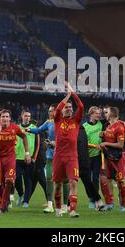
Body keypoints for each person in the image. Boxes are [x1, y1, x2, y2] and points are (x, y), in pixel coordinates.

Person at [27, 105, 68, 213]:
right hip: (50, 155)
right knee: (49, 178)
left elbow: (69, 139)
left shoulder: (66, 122)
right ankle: (50, 204)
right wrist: (28, 129)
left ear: (58, 111)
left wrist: (56, 143)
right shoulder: (49, 122)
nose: (50, 113)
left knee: (65, 180)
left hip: (64, 155)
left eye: (52, 111)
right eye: (49, 111)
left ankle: (65, 206)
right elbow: (38, 130)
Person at [53, 81, 84, 217]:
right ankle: (58, 209)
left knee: (73, 182)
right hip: (58, 156)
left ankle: (72, 210)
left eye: (71, 107)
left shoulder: (76, 121)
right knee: (58, 184)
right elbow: (58, 109)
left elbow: (81, 106)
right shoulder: (57, 120)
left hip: (72, 157)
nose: (69, 109)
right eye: (67, 107)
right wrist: (67, 96)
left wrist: (73, 94)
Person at [0, 110, 31, 213]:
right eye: (3, 116)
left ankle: (3, 205)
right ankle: (5, 201)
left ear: (10, 118)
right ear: (0, 118)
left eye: (7, 116)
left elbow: (24, 136)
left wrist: (27, 153)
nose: (5, 118)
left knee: (9, 180)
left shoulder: (15, 127)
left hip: (10, 157)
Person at [98, 107, 125, 212]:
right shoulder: (107, 126)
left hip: (118, 158)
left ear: (112, 114)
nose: (104, 114)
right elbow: (107, 137)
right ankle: (109, 203)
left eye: (106, 112)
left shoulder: (119, 127)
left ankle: (122, 205)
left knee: (121, 181)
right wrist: (102, 136)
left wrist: (105, 143)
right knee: (104, 179)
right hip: (107, 157)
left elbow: (120, 145)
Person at [15, 110, 40, 208]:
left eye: (29, 116)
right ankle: (21, 193)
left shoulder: (34, 128)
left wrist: (34, 157)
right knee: (16, 178)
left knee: (28, 180)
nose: (27, 118)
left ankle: (26, 201)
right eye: (25, 116)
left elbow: (37, 144)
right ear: (21, 116)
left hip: (29, 158)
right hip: (17, 157)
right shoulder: (17, 128)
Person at [77, 125, 105, 211]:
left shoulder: (76, 130)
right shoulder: (82, 129)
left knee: (70, 182)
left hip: (76, 160)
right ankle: (98, 200)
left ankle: (67, 205)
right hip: (84, 159)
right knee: (87, 182)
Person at [82, 106, 104, 209]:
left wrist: (104, 135)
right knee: (87, 180)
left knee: (95, 178)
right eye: (96, 113)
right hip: (87, 156)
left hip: (97, 156)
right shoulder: (84, 126)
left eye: (99, 113)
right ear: (91, 114)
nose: (99, 115)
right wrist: (94, 146)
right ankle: (91, 198)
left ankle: (96, 200)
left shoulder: (101, 124)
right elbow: (83, 143)